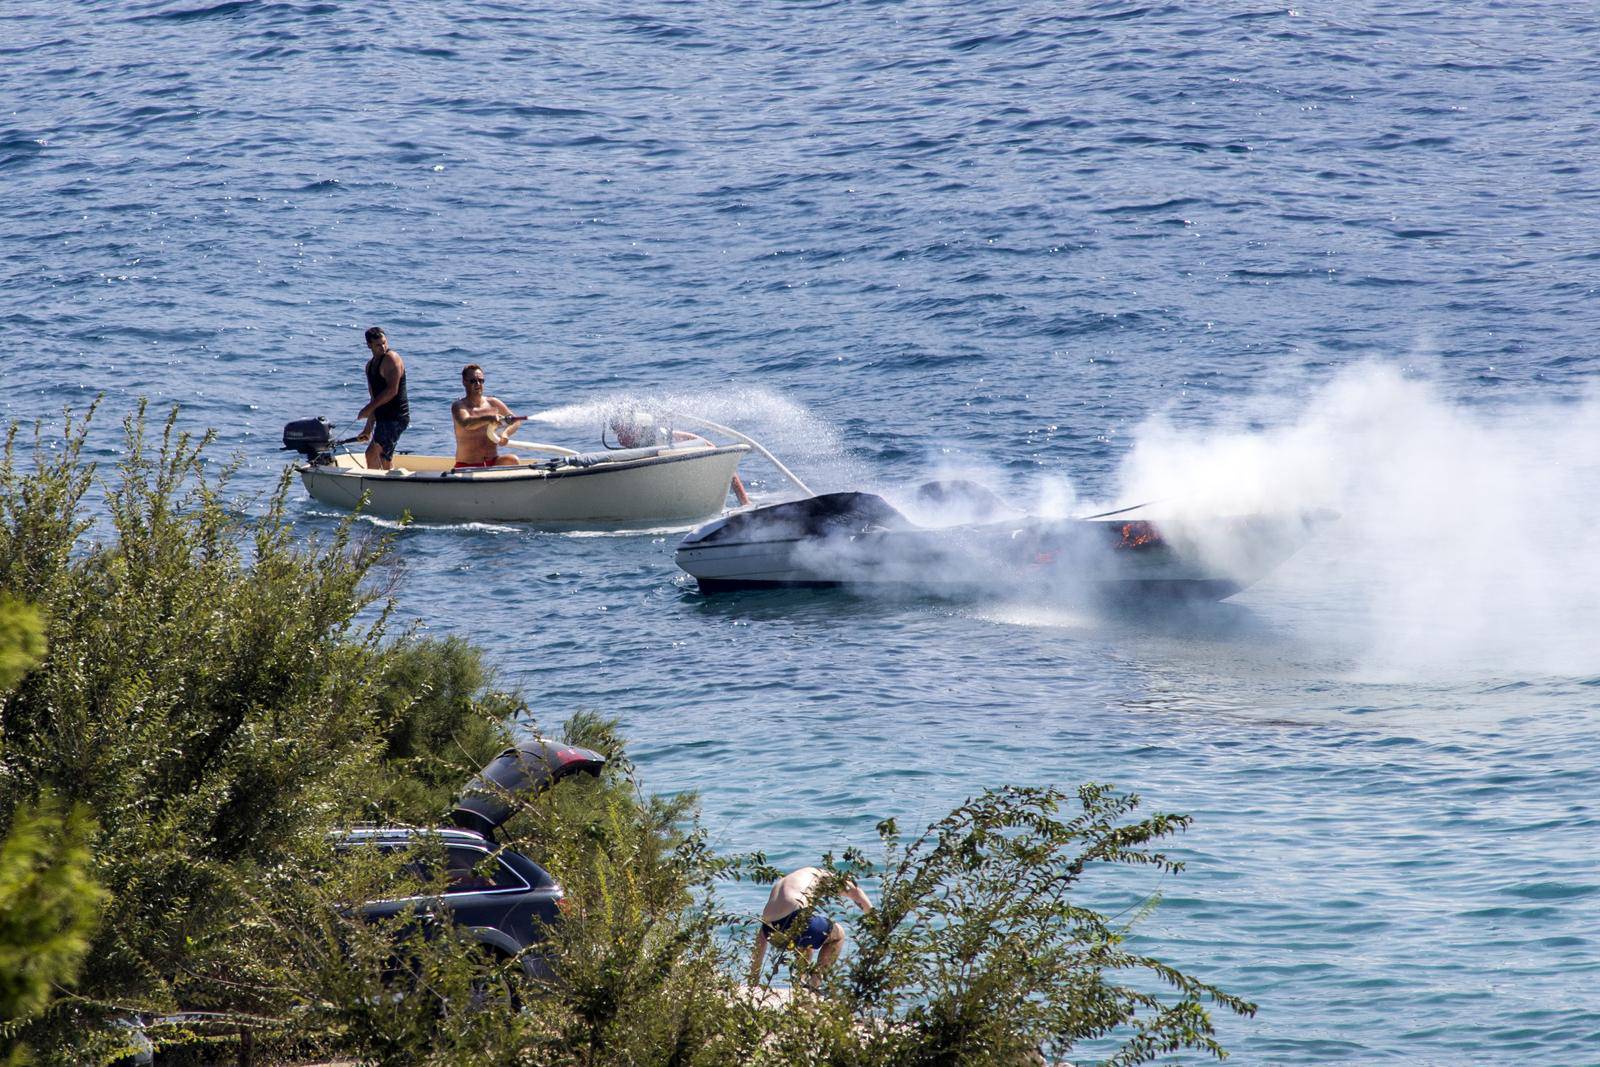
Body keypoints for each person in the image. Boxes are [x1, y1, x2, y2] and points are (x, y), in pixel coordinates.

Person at [748, 866, 872, 990]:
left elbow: (762, 935)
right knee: (838, 935)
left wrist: (753, 979)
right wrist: (875, 920)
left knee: (806, 942)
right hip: (794, 917)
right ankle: (813, 986)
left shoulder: (788, 881)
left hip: (770, 929)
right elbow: (856, 892)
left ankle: (800, 983)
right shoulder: (821, 874)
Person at [609, 411, 750, 506]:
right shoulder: (628, 438)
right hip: (659, 457)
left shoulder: (657, 435)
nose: (620, 438)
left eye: (623, 431)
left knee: (720, 460)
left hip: (675, 447)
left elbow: (679, 436)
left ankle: (745, 502)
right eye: (618, 432)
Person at [451, 363, 525, 468]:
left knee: (513, 460)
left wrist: (506, 433)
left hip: (492, 462)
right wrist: (488, 418)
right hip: (467, 465)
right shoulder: (459, 406)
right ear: (464, 382)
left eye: (481, 381)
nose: (478, 384)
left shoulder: (493, 403)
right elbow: (466, 423)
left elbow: (516, 421)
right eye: (473, 381)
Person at [355, 327, 409, 470]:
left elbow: (392, 391)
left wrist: (367, 409)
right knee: (378, 456)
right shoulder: (370, 366)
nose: (383, 347)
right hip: (382, 419)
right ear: (369, 345)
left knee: (374, 454)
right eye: (378, 345)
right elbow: (374, 399)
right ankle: (380, 486)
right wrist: (368, 428)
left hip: (396, 417)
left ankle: (385, 487)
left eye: (384, 343)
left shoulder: (392, 358)